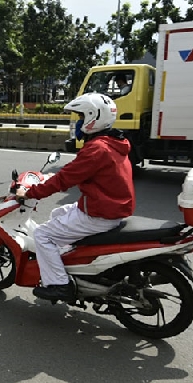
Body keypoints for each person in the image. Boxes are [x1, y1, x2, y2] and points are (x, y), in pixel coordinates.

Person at [15, 93, 135, 302]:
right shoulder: (114, 142)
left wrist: (31, 192)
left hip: (100, 214)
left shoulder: (96, 149)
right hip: (110, 207)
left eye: (81, 117)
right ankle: (70, 262)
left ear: (93, 117)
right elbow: (74, 173)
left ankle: (59, 284)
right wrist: (53, 177)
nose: (78, 122)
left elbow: (66, 179)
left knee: (43, 235)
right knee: (58, 212)